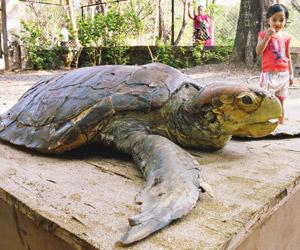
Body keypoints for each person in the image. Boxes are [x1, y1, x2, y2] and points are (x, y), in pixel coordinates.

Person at [256, 4, 294, 124]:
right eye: (274, 20)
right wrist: (268, 36)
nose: (278, 23)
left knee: (281, 100)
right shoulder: (262, 35)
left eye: (281, 20)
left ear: (285, 21)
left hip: (284, 74)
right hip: (269, 74)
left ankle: (281, 123)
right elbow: (258, 51)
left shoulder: (286, 37)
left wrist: (291, 74)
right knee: (266, 99)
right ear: (268, 20)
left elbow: (288, 56)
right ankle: (263, 122)